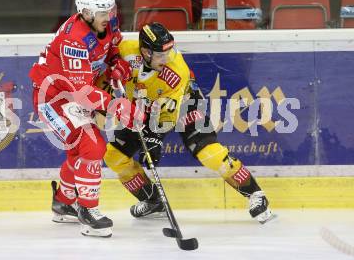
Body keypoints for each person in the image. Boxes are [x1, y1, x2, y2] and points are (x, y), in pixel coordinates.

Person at [101, 22, 274, 224]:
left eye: (169, 52)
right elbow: (104, 58)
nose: (166, 59)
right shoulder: (126, 51)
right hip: (141, 108)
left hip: (185, 104)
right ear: (146, 51)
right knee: (114, 157)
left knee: (208, 152)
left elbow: (168, 115)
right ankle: (152, 201)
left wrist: (153, 139)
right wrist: (111, 73)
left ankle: (256, 194)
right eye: (160, 55)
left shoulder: (176, 71)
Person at [28, 0, 138, 237]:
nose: (109, 17)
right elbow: (83, 92)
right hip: (54, 98)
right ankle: (87, 211)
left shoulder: (107, 22)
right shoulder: (72, 39)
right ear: (86, 13)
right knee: (92, 146)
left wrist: (118, 65)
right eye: (103, 13)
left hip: (74, 94)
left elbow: (112, 49)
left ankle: (63, 202)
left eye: (111, 11)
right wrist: (117, 106)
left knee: (81, 152)